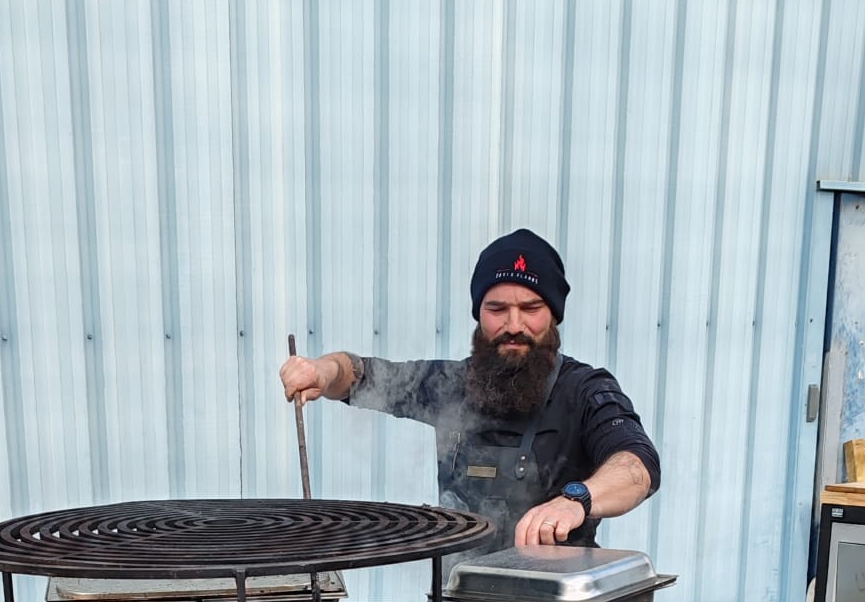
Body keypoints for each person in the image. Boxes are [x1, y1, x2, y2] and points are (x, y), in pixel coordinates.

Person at [278, 230, 659, 552]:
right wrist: (323, 370)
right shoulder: (450, 385)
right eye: (497, 309)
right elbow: (359, 375)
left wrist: (577, 500)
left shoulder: (585, 390)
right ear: (479, 314)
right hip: (461, 601)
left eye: (531, 308)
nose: (514, 325)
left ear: (553, 315)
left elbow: (637, 466)